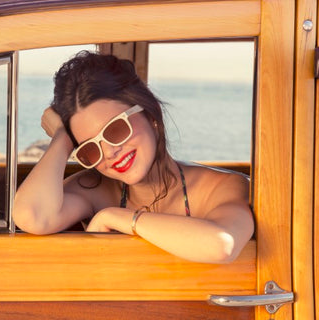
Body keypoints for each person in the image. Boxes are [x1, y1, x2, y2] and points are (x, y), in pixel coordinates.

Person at [13, 51, 254, 264]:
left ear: (150, 116)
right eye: (90, 148)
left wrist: (116, 217)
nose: (108, 153)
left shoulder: (222, 187)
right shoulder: (95, 189)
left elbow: (222, 246)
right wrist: (63, 138)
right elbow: (31, 216)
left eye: (115, 129)